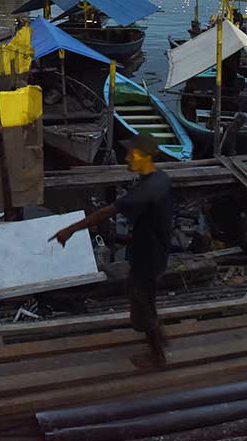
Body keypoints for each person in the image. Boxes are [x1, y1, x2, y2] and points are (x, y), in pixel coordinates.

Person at [49, 133, 173, 367]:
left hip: (147, 257)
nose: (126, 158)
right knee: (147, 297)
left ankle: (158, 357)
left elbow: (107, 212)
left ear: (142, 156)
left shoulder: (145, 191)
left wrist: (70, 229)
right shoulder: (161, 178)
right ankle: (161, 338)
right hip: (158, 251)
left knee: (141, 304)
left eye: (131, 154)